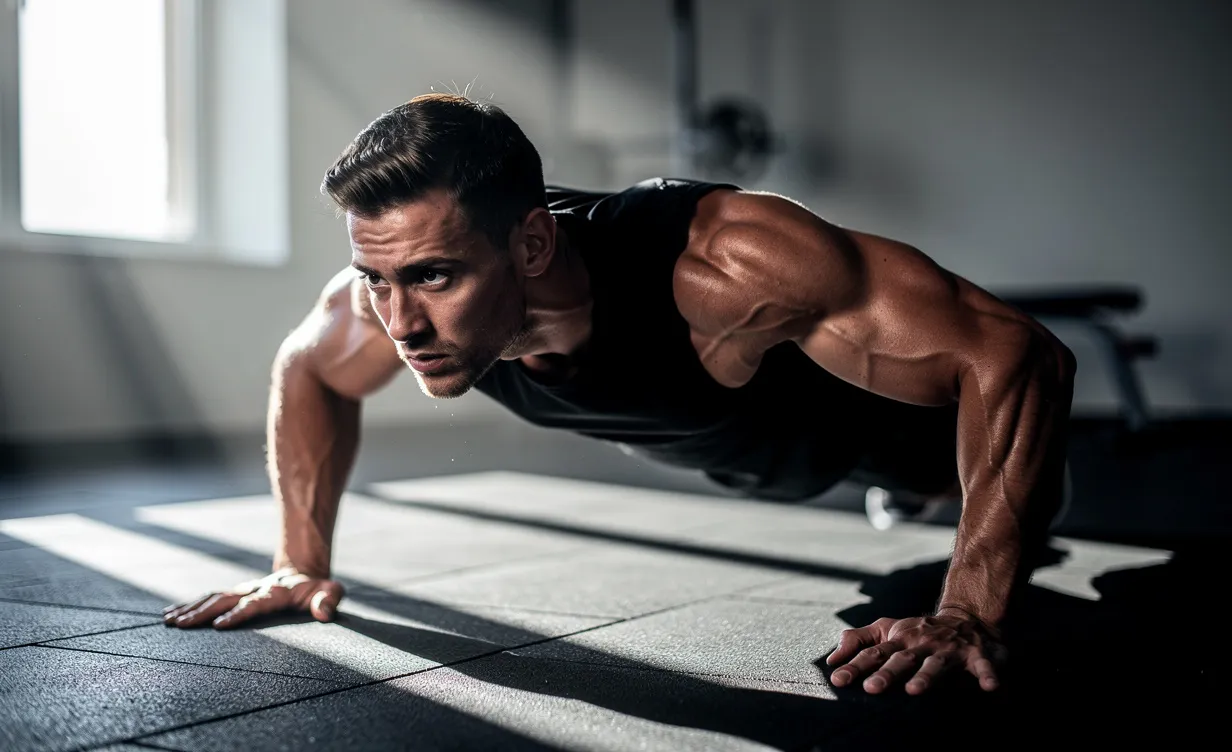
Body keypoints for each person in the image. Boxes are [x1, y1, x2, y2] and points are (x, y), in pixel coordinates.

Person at [162, 93, 1076, 697]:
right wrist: (297, 561)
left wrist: (966, 608)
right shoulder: (384, 301)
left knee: (985, 502)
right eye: (376, 279)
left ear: (529, 245)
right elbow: (308, 368)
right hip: (754, 467)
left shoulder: (722, 263)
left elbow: (1015, 354)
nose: (399, 324)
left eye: (435, 278)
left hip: (915, 446)